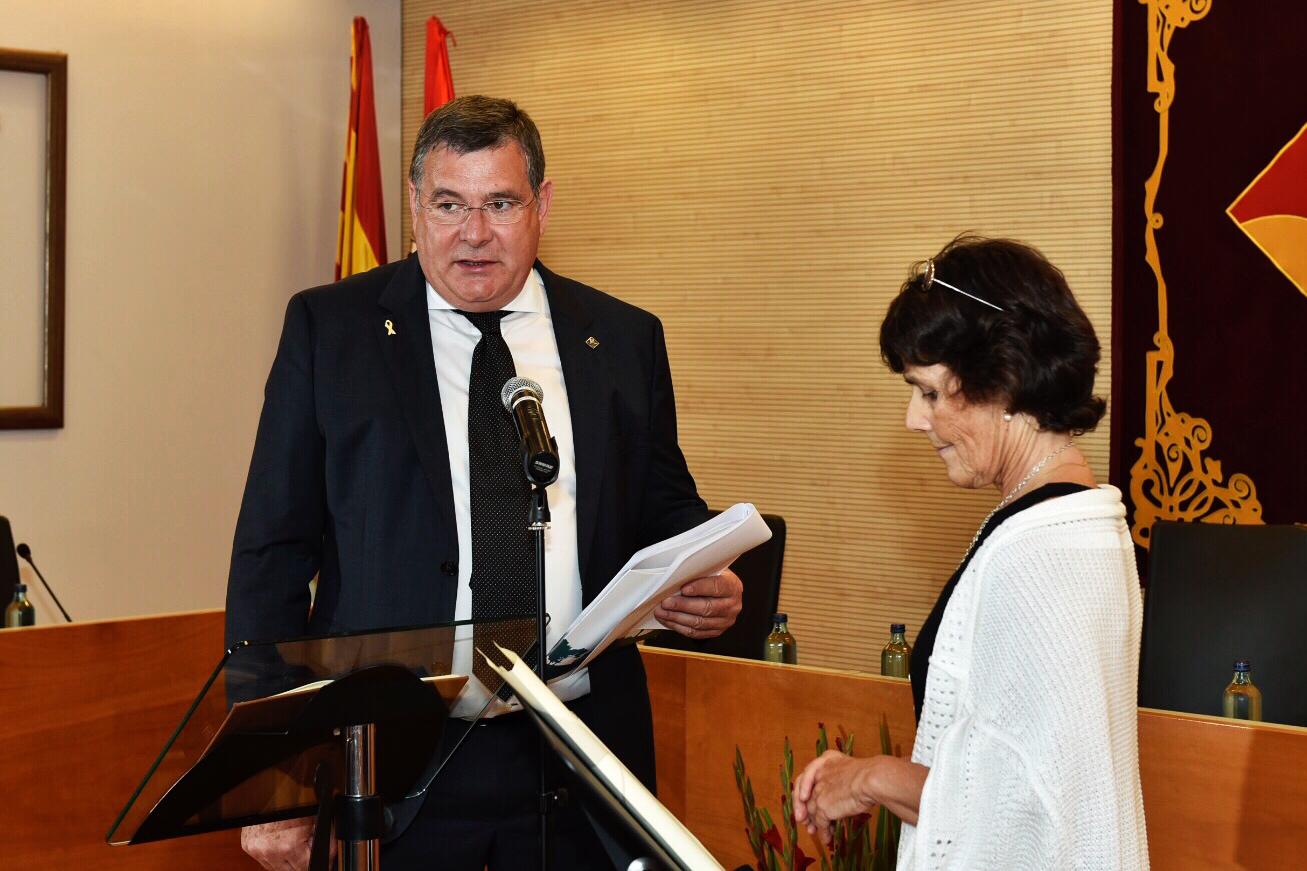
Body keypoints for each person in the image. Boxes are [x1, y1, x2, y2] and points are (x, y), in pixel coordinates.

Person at [225, 95, 742, 871]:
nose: (473, 233)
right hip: (399, 765)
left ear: (542, 204)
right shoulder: (333, 331)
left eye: (499, 203)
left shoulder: (622, 338)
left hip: (583, 759)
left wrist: (706, 579)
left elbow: (662, 505)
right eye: (448, 204)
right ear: (412, 207)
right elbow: (270, 555)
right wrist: (270, 773)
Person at [794, 236, 1148, 869]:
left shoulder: (1039, 555)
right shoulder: (1087, 519)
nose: (912, 418)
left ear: (1003, 381)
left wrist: (866, 778)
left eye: (929, 392)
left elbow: (1008, 809)